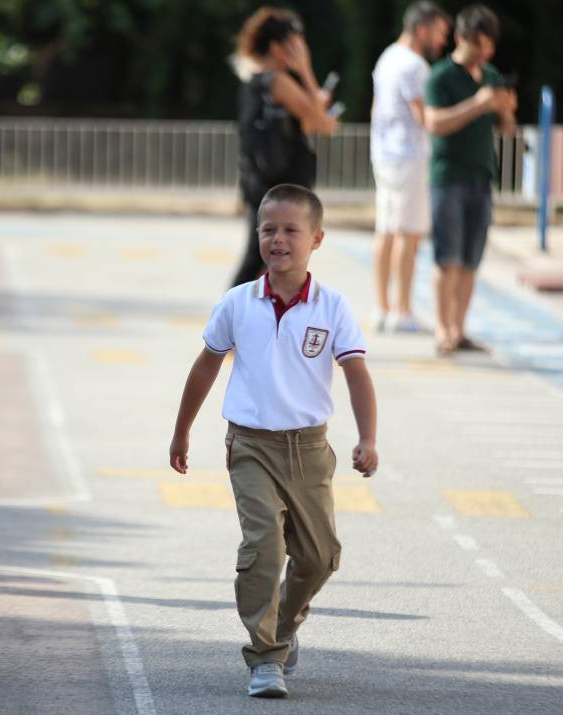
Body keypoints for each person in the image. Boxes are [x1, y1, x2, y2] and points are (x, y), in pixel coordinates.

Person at [169, 184, 378, 699]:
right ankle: (264, 658)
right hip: (251, 445)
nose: (278, 240)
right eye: (268, 230)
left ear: (317, 239)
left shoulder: (332, 307)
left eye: (291, 230)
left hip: (309, 449)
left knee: (320, 556)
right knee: (264, 545)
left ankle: (282, 629)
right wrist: (182, 430)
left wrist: (368, 438)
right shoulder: (237, 303)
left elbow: (356, 374)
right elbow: (205, 367)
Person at [423, 4, 517, 354]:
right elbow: (434, 124)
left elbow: (506, 130)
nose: (485, 52)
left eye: (489, 45)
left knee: (470, 261)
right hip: (448, 177)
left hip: (481, 177)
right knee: (447, 258)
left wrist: (505, 110)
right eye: (478, 43)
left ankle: (459, 330)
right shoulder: (440, 77)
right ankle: (442, 329)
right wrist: (478, 104)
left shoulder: (491, 76)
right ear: (460, 38)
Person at [230, 7, 338, 287]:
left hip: (263, 182)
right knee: (262, 258)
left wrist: (315, 109)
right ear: (278, 48)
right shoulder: (277, 81)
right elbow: (319, 119)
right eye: (295, 45)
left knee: (264, 258)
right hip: (278, 186)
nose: (301, 50)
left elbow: (313, 123)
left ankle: (238, 319)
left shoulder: (257, 81)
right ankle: (227, 320)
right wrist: (305, 69)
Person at [369, 1, 451, 333]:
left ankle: (382, 307)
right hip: (409, 155)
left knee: (386, 230)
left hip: (384, 153)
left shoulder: (387, 56)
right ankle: (402, 310)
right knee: (408, 233)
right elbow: (424, 116)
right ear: (422, 29)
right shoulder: (415, 65)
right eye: (439, 32)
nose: (442, 40)